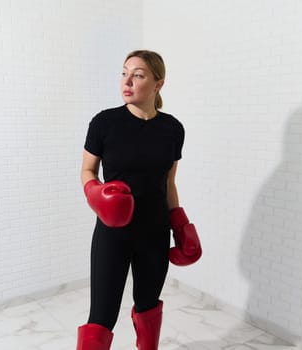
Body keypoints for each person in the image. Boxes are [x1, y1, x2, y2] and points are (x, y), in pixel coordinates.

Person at [77, 50, 202, 350]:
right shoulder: (104, 123)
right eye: (124, 73)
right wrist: (97, 194)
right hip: (113, 233)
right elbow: (87, 170)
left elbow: (169, 183)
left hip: (154, 232)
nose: (127, 81)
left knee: (148, 306)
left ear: (158, 84)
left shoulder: (173, 129)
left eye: (138, 74)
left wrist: (180, 225)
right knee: (102, 316)